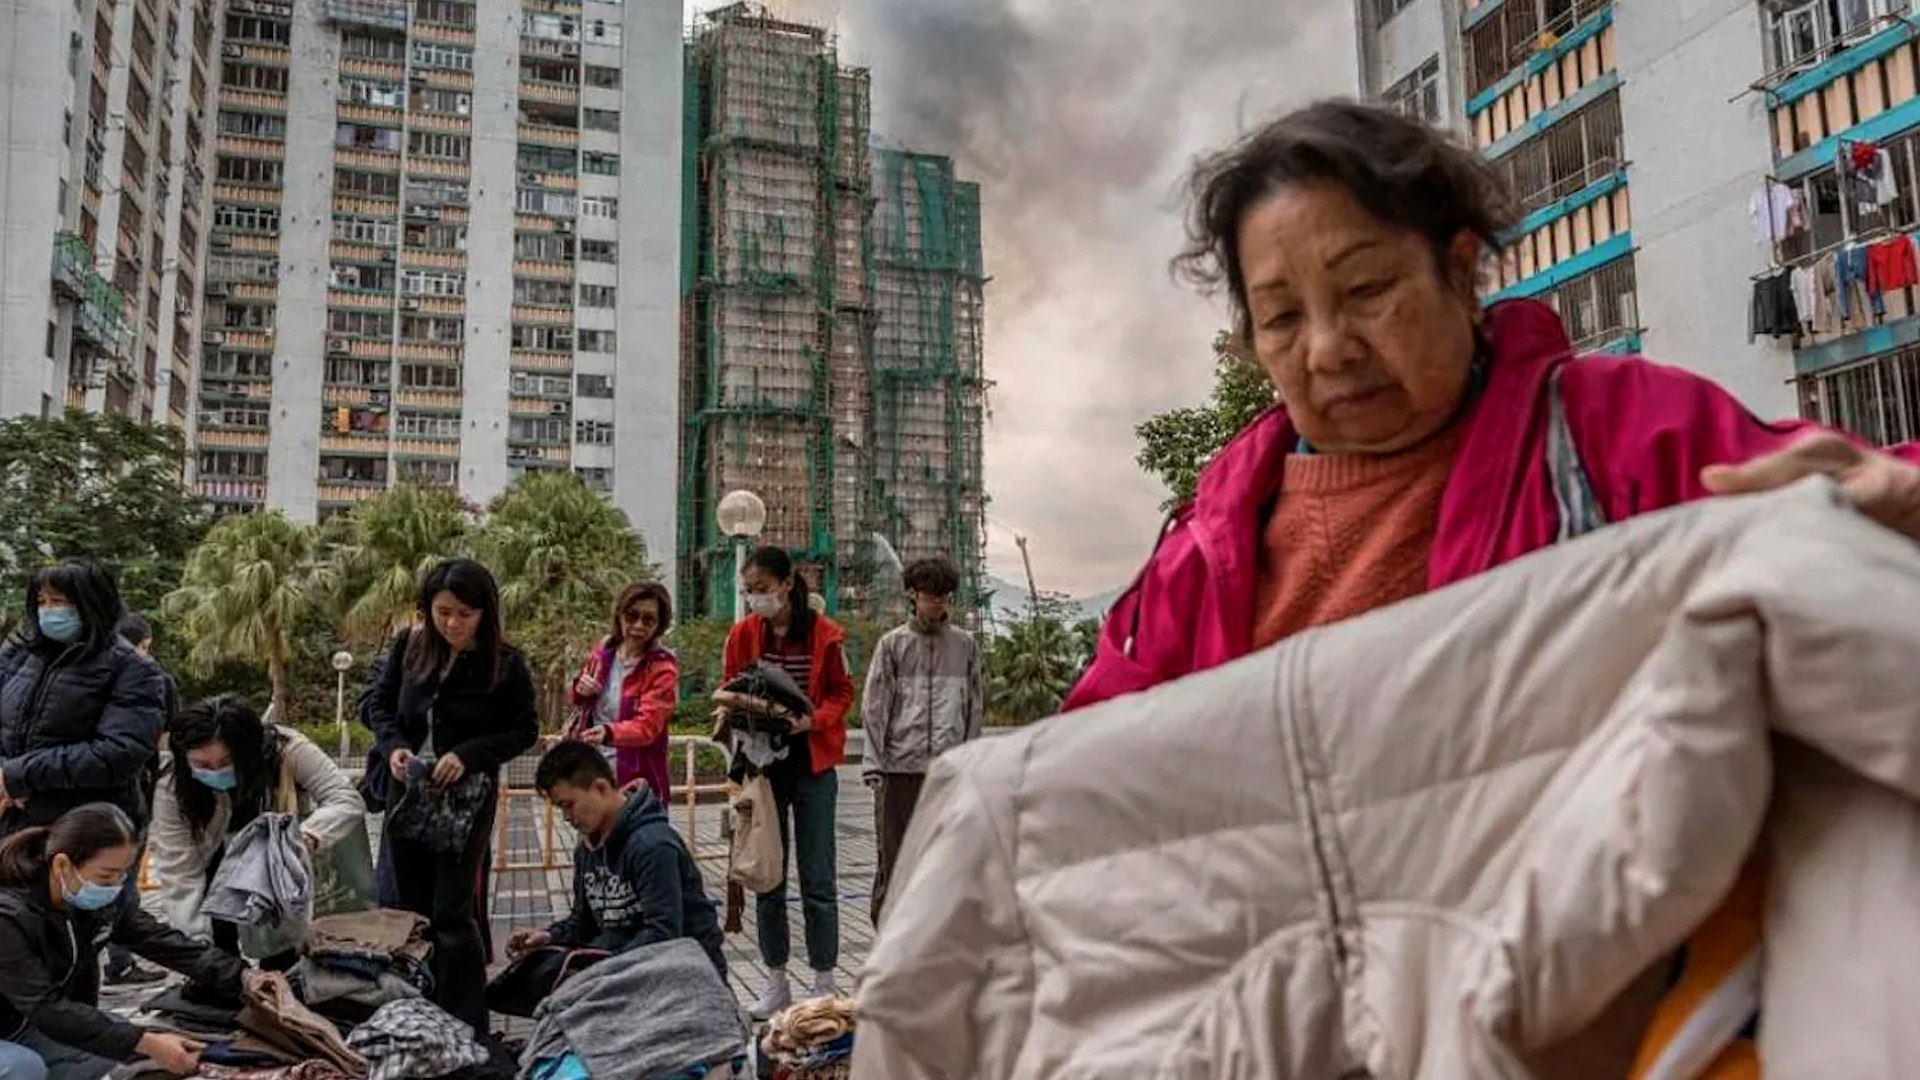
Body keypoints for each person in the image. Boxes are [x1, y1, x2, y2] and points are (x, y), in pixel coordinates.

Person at [1063, 100, 1920, 1077]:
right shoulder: (1209, 546)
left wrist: (1900, 506)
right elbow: (1088, 795)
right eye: (1283, 318)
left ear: (1461, 269)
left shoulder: (1615, 435)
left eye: (1367, 289)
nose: (1329, 348)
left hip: (1591, 1004)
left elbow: (1854, 511)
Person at [366, 558, 539, 1031]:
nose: (453, 624)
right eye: (442, 613)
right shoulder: (409, 646)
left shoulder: (505, 663)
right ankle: (414, 1011)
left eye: (465, 614)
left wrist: (468, 755)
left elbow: (524, 729)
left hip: (466, 800)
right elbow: (379, 705)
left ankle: (465, 1018)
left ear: (485, 612)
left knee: (451, 910)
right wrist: (394, 747)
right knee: (409, 908)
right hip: (409, 792)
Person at [0, 803, 255, 1080]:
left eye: (122, 874)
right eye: (105, 875)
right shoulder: (9, 916)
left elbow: (159, 940)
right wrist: (143, 1042)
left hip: (26, 1023)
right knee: (23, 1067)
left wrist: (243, 977)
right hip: (25, 1022)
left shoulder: (96, 903)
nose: (114, 885)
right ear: (62, 864)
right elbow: (43, 1005)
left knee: (117, 1042)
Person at [723, 547, 855, 1019]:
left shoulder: (825, 634)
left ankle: (824, 978)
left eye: (762, 588)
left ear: (786, 584)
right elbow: (730, 684)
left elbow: (842, 691)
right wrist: (748, 710)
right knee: (768, 874)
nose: (755, 597)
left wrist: (812, 720)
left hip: (812, 764)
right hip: (764, 767)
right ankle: (775, 979)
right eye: (749, 590)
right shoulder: (743, 633)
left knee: (818, 876)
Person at [146, 695, 366, 960]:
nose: (215, 772)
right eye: (202, 765)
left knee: (282, 952)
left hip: (282, 869)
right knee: (218, 953)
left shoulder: (287, 749)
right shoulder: (172, 786)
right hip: (214, 872)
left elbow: (346, 800)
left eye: (226, 762)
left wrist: (304, 837)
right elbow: (179, 873)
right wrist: (199, 948)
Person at [509, 741, 725, 977]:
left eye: (568, 805)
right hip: (626, 970)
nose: (566, 817)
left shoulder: (653, 845)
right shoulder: (586, 850)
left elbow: (662, 933)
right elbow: (584, 922)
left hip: (685, 976)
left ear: (600, 788)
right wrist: (549, 936)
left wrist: (598, 968)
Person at [859, 556, 982, 927]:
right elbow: (875, 707)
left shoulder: (965, 646)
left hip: (946, 772)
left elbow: (974, 708)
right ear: (913, 595)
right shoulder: (892, 645)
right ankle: (888, 937)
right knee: (894, 861)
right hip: (898, 771)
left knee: (944, 860)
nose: (937, 604)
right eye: (930, 596)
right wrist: (874, 764)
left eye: (943, 597)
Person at [0, 561, 166, 831]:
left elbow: (118, 753)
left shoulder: (132, 669)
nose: (47, 611)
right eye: (41, 601)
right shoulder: (19, 654)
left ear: (91, 604)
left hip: (85, 828)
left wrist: (19, 775)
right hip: (12, 818)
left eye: (58, 601)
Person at [100, 614, 174, 988]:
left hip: (82, 802)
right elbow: (163, 733)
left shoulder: (82, 675)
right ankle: (120, 963)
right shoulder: (151, 678)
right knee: (121, 881)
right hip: (130, 797)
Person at [566, 582, 679, 803]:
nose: (638, 625)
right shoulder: (603, 652)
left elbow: (648, 726)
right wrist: (579, 688)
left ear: (659, 625)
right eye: (631, 616)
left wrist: (609, 733)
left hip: (636, 781)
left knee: (633, 826)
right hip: (591, 771)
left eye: (648, 620)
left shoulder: (662, 667)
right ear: (619, 615)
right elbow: (578, 700)